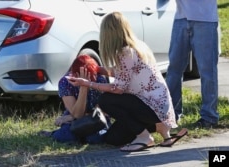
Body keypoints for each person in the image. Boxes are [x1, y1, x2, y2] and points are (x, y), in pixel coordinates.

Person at [66, 12, 188, 152]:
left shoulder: (125, 53)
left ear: (110, 33)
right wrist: (98, 69)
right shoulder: (136, 46)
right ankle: (159, 128)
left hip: (152, 108)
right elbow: (122, 73)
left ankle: (144, 137)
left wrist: (87, 83)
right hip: (155, 107)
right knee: (113, 139)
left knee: (106, 99)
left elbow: (118, 89)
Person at [165, 0, 219, 128]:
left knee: (207, 71)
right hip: (181, 18)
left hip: (205, 19)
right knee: (174, 69)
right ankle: (172, 114)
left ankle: (209, 117)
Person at [39, 55, 108, 144]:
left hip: (96, 119)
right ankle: (53, 134)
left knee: (95, 139)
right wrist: (84, 87)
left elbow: (101, 112)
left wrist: (70, 117)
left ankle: (81, 137)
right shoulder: (65, 82)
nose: (90, 81)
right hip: (75, 120)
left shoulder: (100, 80)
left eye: (93, 77)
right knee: (66, 137)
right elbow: (77, 114)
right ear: (75, 75)